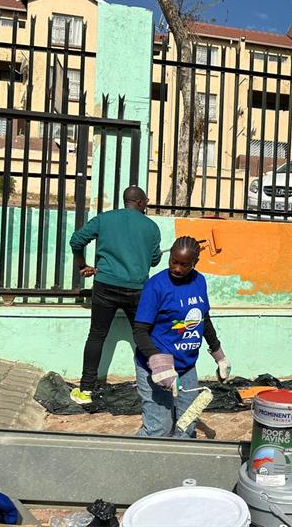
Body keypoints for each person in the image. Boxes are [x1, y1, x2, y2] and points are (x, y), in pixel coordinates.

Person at [69, 186, 162, 405]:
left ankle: (86, 390)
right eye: (146, 200)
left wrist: (82, 265)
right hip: (137, 291)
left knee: (97, 335)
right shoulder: (151, 227)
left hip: (105, 286)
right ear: (139, 202)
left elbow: (76, 241)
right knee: (143, 337)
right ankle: (152, 387)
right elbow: (155, 260)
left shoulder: (105, 219)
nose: (146, 204)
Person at [131, 236, 232, 438]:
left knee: (187, 425)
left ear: (195, 262)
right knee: (158, 429)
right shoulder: (156, 286)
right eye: (173, 262)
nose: (177, 268)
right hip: (155, 368)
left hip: (186, 366)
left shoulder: (199, 281)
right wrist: (158, 364)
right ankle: (139, 462)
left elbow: (203, 318)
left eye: (184, 264)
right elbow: (140, 330)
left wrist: (218, 354)